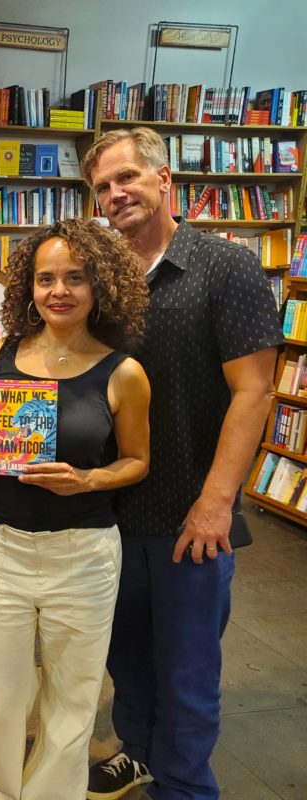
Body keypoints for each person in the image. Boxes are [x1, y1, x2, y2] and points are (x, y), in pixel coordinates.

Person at [82, 128, 281, 800]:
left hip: (192, 520)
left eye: (128, 178)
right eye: (104, 186)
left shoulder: (226, 269)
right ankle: (140, 758)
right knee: (128, 667)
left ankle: (186, 788)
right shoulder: (101, 278)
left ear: (165, 180)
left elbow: (255, 392)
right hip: (110, 516)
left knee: (187, 676)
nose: (116, 194)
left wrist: (217, 501)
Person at [0, 219, 151, 800]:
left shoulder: (123, 371)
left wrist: (88, 480)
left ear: (100, 286)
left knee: (74, 696)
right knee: (1, 692)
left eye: (75, 277)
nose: (59, 291)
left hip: (84, 552)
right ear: (29, 287)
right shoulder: (1, 352)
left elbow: (137, 461)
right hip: (0, 545)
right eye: (45, 278)